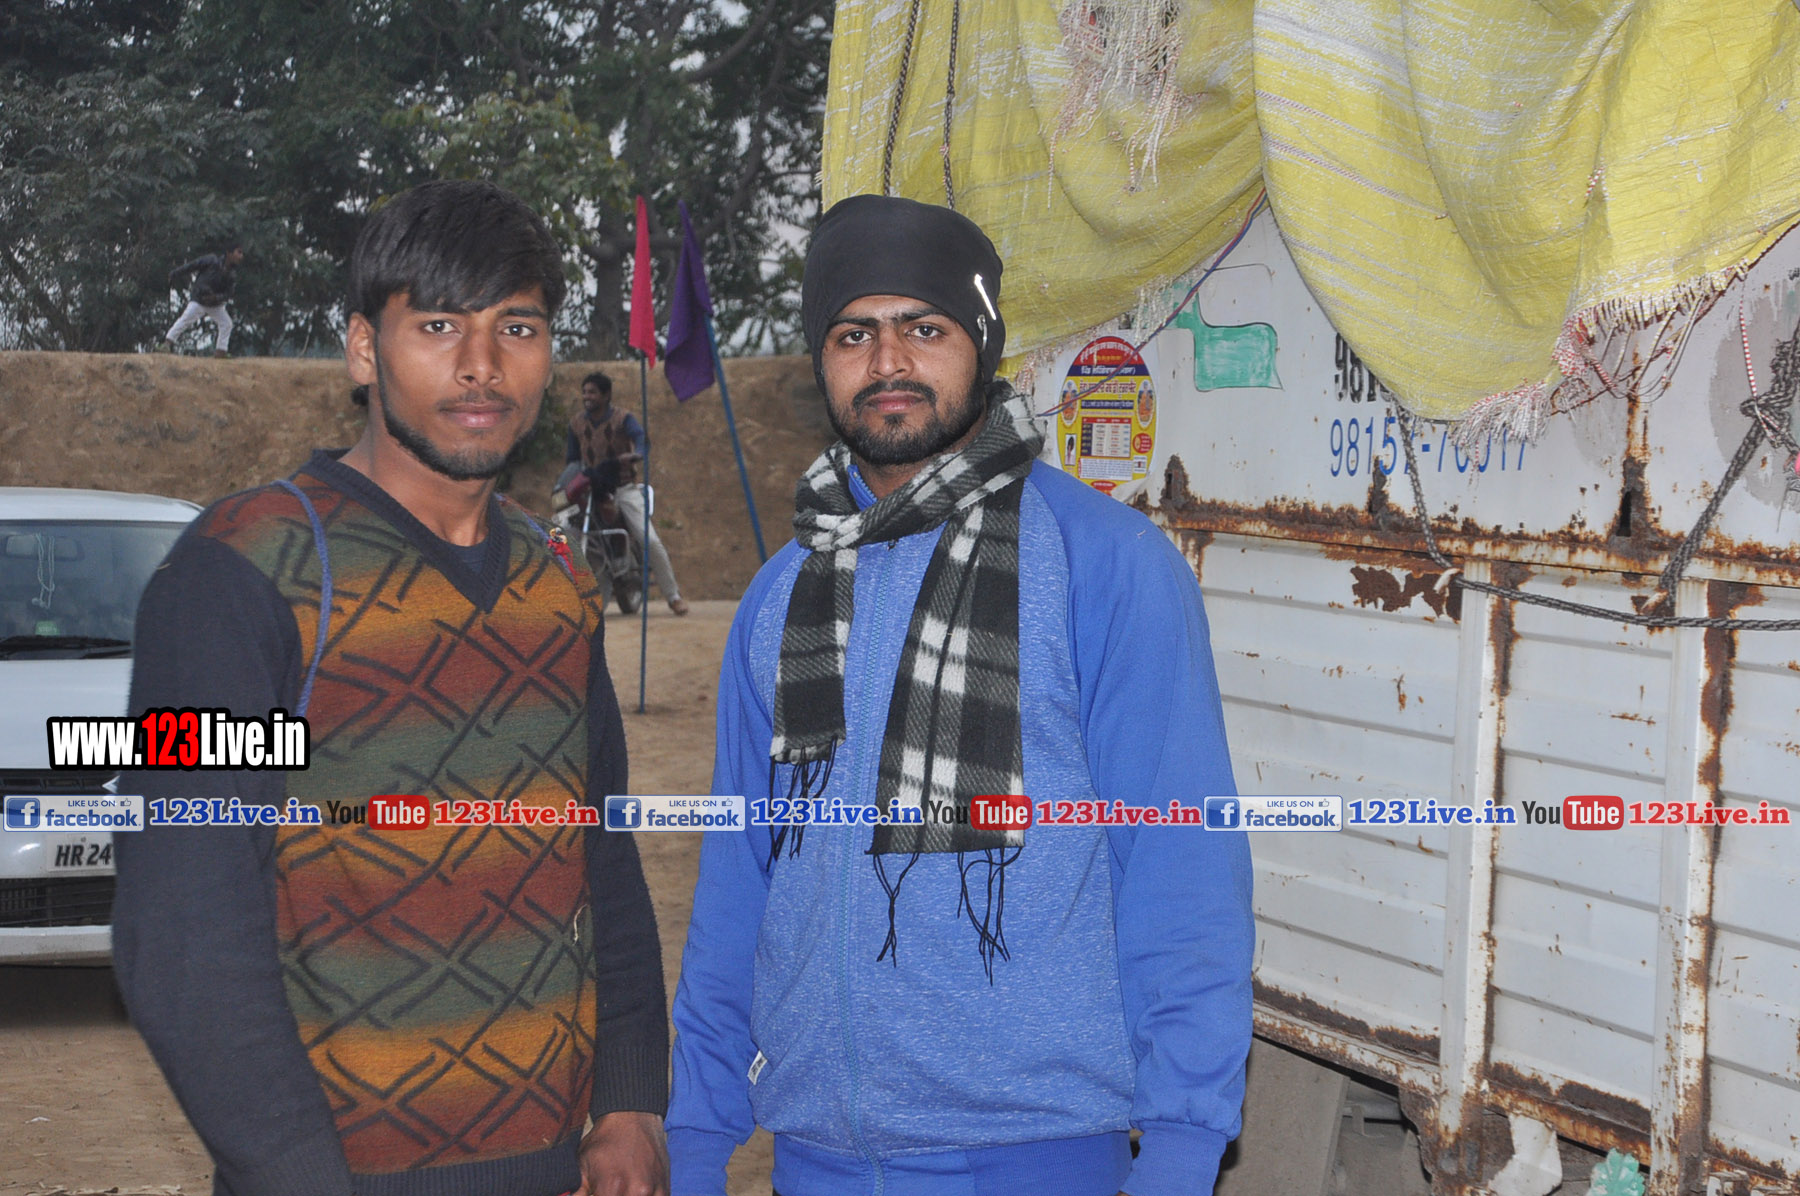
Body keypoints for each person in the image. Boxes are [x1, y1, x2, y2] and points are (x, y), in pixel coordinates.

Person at [665, 194, 1254, 1196]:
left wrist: (1183, 1147)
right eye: (854, 334)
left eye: (924, 328)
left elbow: (1181, 867)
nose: (888, 360)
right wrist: (696, 1132)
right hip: (816, 1159)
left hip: (1035, 1156)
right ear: (821, 360)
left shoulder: (1104, 564)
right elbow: (737, 879)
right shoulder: (781, 595)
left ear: (982, 344)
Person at [113, 180, 671, 1196]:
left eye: (517, 327)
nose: (482, 364)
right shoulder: (235, 574)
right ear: (365, 349)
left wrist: (632, 1099)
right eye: (440, 325)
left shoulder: (558, 581)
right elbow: (183, 928)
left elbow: (602, 854)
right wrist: (296, 1175)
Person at [566, 370, 690, 615]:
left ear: (606, 395)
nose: (587, 396)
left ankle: (673, 596)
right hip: (590, 489)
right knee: (561, 532)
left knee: (649, 539)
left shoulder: (623, 419)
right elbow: (571, 460)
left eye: (592, 392)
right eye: (584, 392)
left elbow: (640, 438)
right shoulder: (576, 424)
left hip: (622, 488)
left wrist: (637, 454)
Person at [159, 241, 244, 357]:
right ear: (229, 253)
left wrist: (215, 298)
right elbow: (192, 265)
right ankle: (167, 344)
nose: (241, 256)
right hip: (199, 300)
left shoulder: (232, 274)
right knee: (185, 319)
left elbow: (228, 294)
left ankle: (221, 351)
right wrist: (175, 273)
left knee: (226, 323)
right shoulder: (211, 260)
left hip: (215, 304)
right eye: (239, 252)